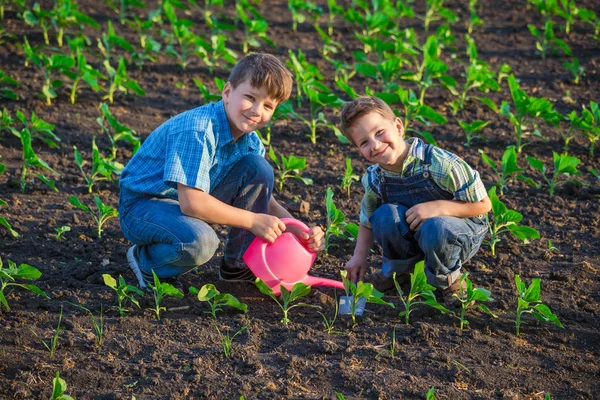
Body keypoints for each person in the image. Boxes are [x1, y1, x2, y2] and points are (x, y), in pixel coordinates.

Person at [118, 53, 325, 290]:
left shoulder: (251, 142)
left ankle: (237, 266)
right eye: (250, 97)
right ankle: (147, 262)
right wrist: (252, 221)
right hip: (143, 206)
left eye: (268, 106)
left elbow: (263, 201)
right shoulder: (198, 130)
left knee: (258, 169)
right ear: (227, 92)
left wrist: (297, 228)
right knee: (200, 242)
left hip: (183, 202)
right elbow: (192, 204)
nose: (257, 110)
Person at [340, 96, 491, 301]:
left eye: (379, 132)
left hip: (458, 234)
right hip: (416, 236)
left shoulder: (439, 163)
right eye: (364, 142)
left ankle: (448, 279)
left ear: (398, 126)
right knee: (384, 215)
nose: (375, 145)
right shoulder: (375, 178)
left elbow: (483, 205)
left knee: (436, 226)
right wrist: (358, 257)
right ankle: (400, 273)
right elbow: (367, 221)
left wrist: (438, 207)